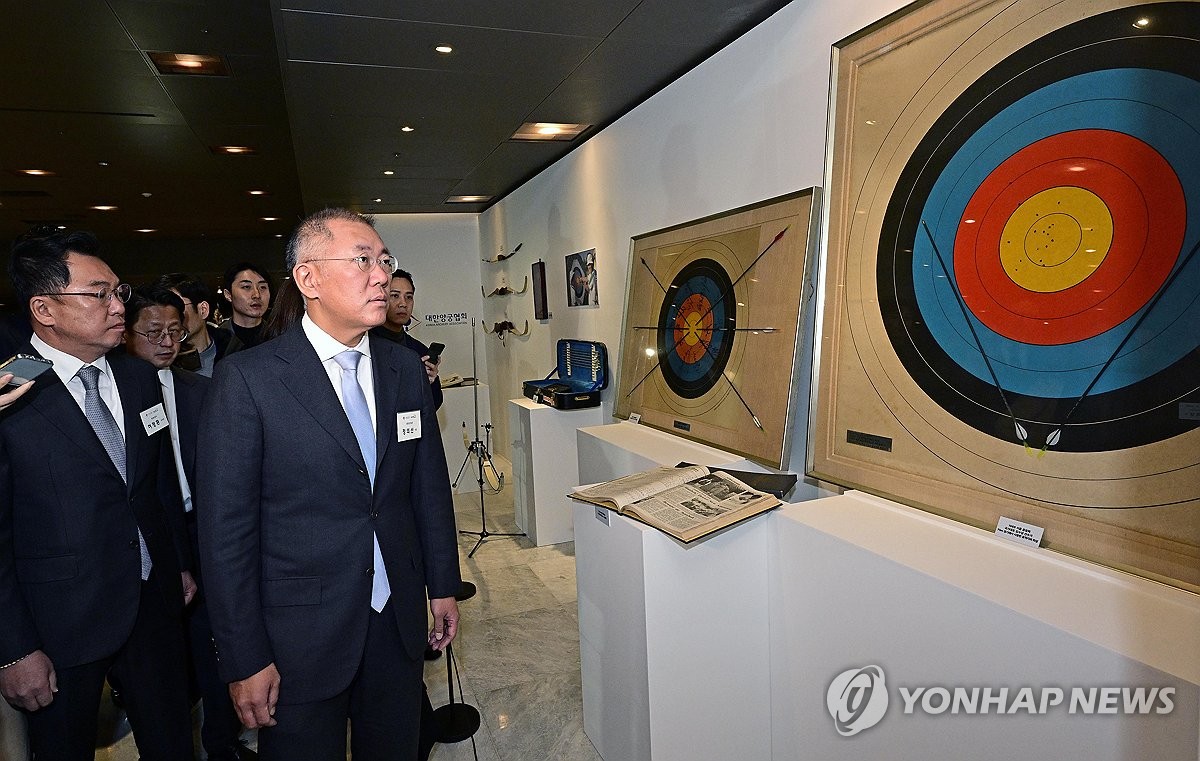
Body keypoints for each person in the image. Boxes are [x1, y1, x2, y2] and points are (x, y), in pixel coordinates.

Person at [197, 208, 462, 761]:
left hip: (395, 621)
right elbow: (227, 534)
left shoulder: (404, 370)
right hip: (299, 635)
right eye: (362, 260)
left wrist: (442, 583)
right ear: (308, 277)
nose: (381, 275)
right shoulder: (249, 380)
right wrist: (244, 657)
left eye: (384, 260)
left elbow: (427, 490)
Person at [0, 230, 195, 760]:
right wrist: (13, 648)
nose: (118, 307)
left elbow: (154, 487)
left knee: (172, 740)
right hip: (60, 621)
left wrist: (176, 564)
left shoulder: (137, 378)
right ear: (45, 308)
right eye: (99, 294)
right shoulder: (10, 386)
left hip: (151, 602)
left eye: (118, 292)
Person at [123, 285, 256, 760]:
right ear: (126, 334)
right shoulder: (118, 392)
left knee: (215, 642)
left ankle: (222, 743)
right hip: (153, 538)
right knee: (163, 661)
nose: (166, 342)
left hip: (205, 528)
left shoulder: (202, 389)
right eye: (153, 332)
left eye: (175, 332)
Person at [372, 269, 443, 409]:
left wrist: (429, 382)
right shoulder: (365, 345)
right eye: (395, 296)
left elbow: (435, 403)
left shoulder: (418, 350)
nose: (403, 303)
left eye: (408, 297)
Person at [157, 272, 232, 377]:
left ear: (203, 310)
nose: (169, 317)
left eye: (177, 307)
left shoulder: (234, 350)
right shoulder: (160, 362)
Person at [218, 262, 272, 353]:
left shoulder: (278, 336)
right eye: (246, 287)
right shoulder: (217, 341)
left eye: (262, 287)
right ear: (228, 295)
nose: (257, 295)